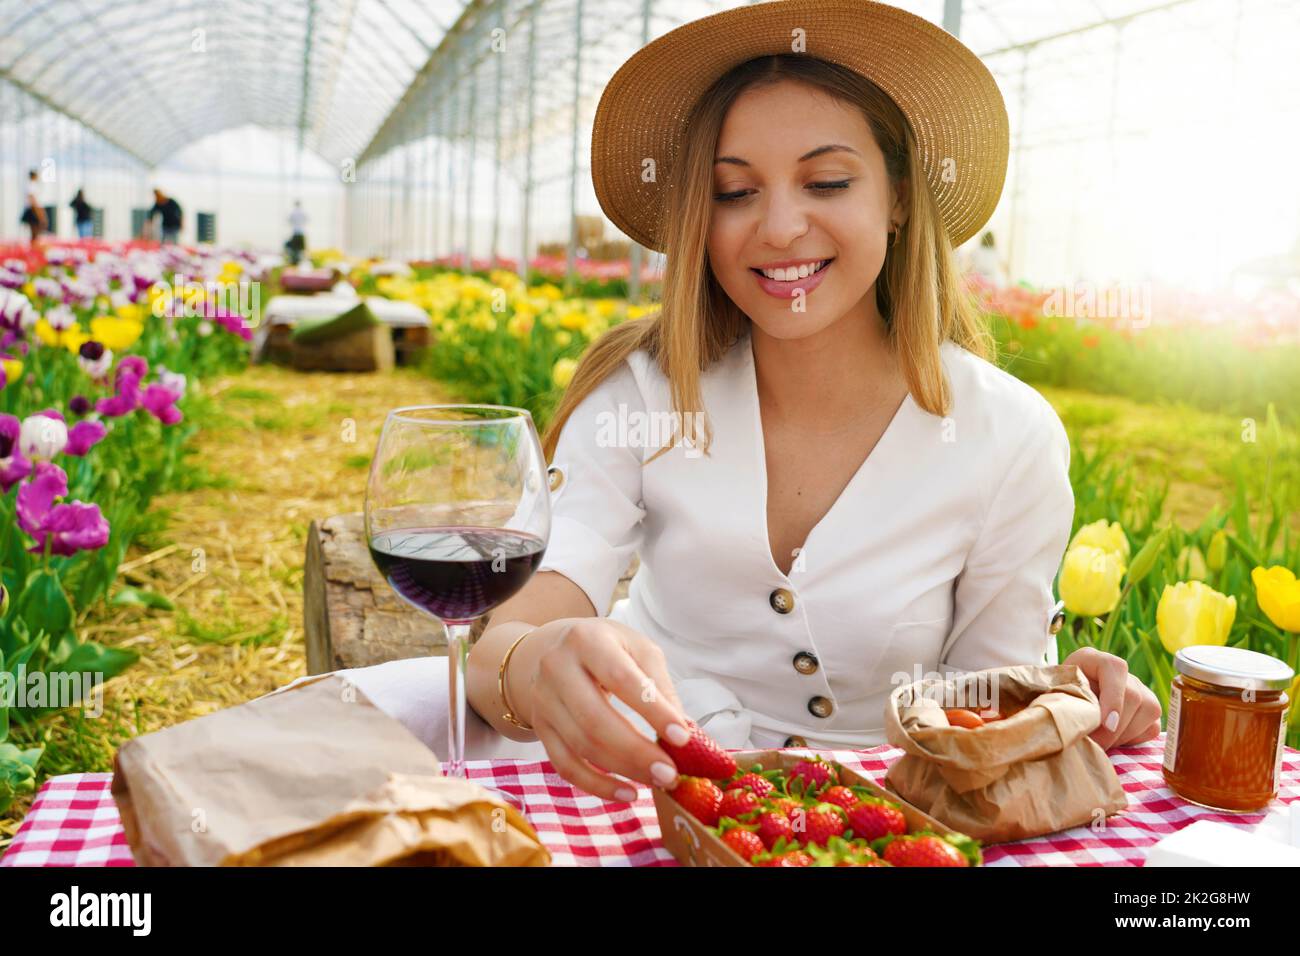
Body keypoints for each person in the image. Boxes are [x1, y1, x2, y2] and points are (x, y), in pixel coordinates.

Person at [294, 0, 1163, 802]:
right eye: (732, 191)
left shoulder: (1008, 435)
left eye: (827, 183)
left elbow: (981, 708)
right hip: (651, 787)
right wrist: (537, 664)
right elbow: (505, 647)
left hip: (883, 819)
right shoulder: (641, 392)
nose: (779, 227)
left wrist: (1049, 692)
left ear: (900, 198)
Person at [19, 169, 47, 245]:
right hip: (33, 210)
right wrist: (40, 213)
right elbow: (33, 200)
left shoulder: (31, 185)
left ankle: (34, 246)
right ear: (34, 176)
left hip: (33, 209)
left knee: (35, 232)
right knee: (35, 231)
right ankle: (34, 246)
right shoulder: (32, 185)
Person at [285, 200, 308, 265]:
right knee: (300, 250)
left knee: (295, 250)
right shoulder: (303, 212)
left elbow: (289, 220)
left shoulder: (293, 212)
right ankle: (298, 262)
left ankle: (296, 262)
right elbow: (306, 220)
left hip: (295, 232)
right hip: (301, 232)